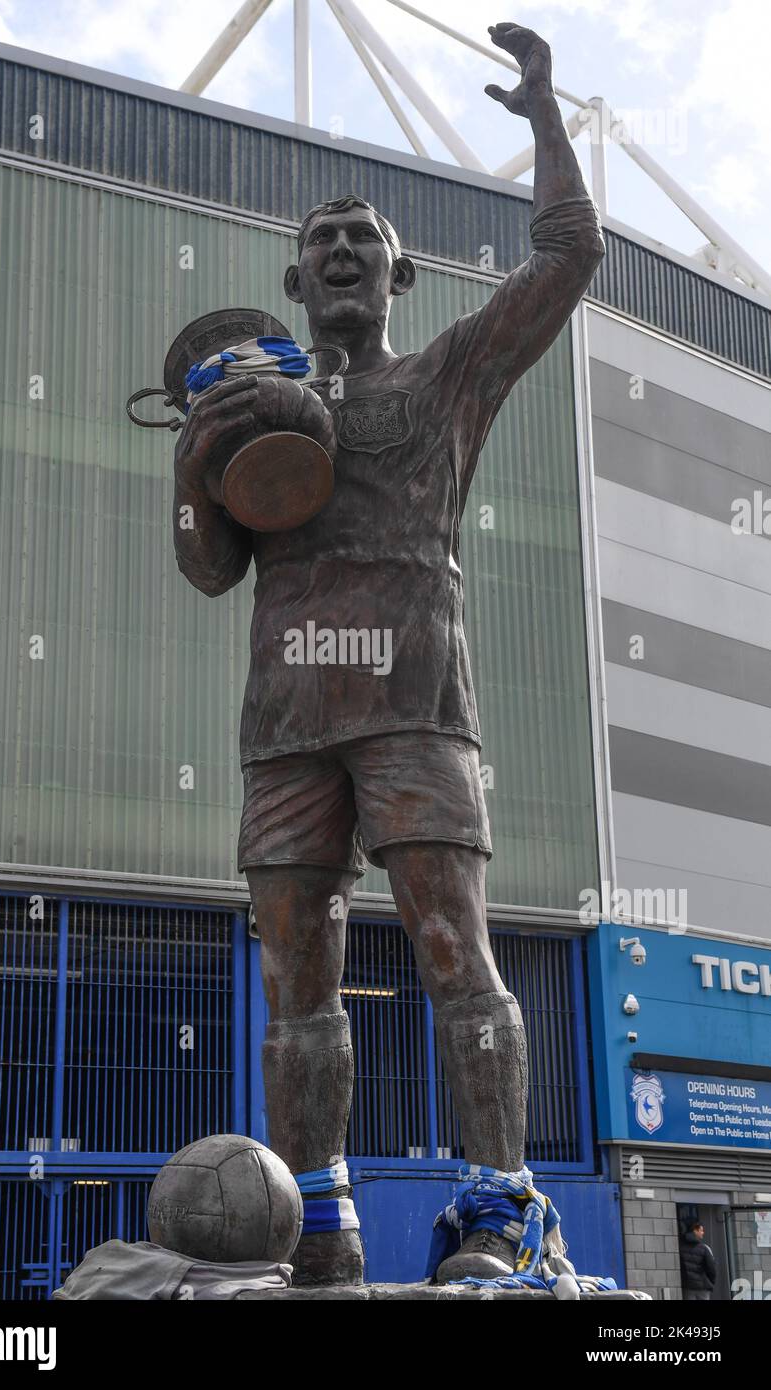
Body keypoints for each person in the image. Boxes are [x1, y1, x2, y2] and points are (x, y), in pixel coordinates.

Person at [173, 21, 604, 1286]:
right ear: (296, 284)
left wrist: (540, 120)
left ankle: (500, 1212)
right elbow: (207, 568)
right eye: (324, 242)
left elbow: (569, 253)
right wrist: (198, 459)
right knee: (296, 982)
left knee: (452, 954)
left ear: (398, 276)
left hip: (418, 708)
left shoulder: (448, 378)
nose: (345, 250)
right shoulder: (242, 412)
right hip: (286, 723)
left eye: (365, 237)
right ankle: (318, 1222)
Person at [679, 1221, 717, 1300]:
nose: (703, 1233)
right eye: (701, 1230)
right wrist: (711, 1282)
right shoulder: (704, 1248)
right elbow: (711, 1268)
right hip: (702, 1287)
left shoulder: (680, 1248)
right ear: (695, 1231)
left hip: (687, 1287)